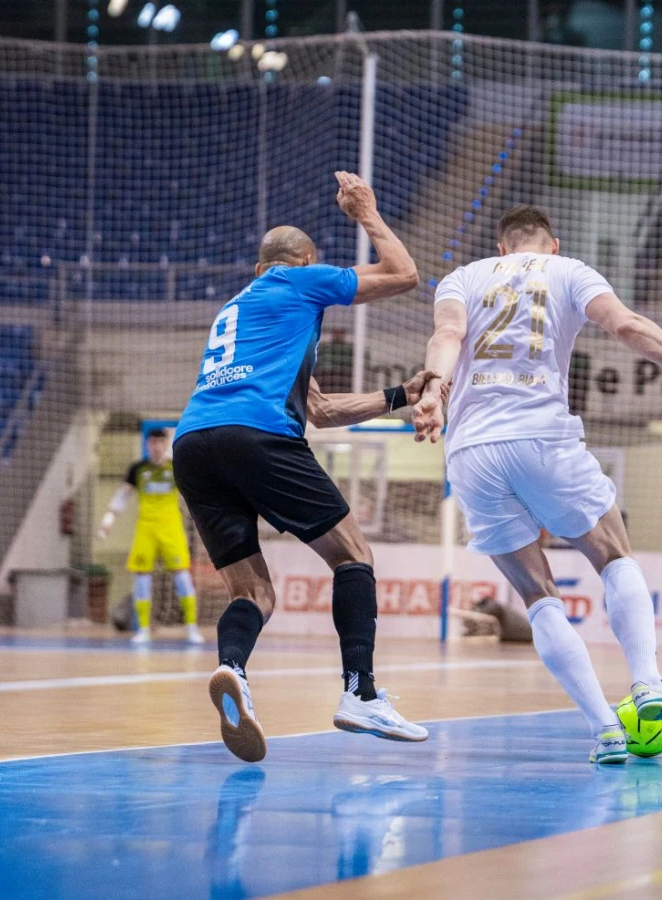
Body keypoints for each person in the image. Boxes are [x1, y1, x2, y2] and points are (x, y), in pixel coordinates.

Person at [412, 205, 662, 764]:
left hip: (470, 449)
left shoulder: (462, 277)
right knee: (614, 555)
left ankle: (606, 731)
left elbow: (447, 333)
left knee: (538, 596)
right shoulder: (569, 270)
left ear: (501, 247)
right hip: (540, 436)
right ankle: (647, 682)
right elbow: (628, 326)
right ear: (553, 243)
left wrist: (433, 392)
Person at [174, 171, 433, 763]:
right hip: (257, 434)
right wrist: (366, 213)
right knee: (353, 556)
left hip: (194, 443)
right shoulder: (298, 282)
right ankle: (360, 694)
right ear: (306, 261)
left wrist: (398, 396)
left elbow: (320, 410)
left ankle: (233, 672)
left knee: (254, 592)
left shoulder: (238, 312)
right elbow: (403, 275)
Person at [97, 428, 203, 645]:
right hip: (146, 528)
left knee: (182, 576)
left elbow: (193, 489)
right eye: (153, 443)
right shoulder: (138, 469)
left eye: (160, 443)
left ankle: (192, 628)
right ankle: (144, 629)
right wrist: (108, 519)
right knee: (141, 578)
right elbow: (122, 495)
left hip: (171, 527)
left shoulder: (175, 467)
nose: (156, 447)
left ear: (165, 444)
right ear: (147, 445)